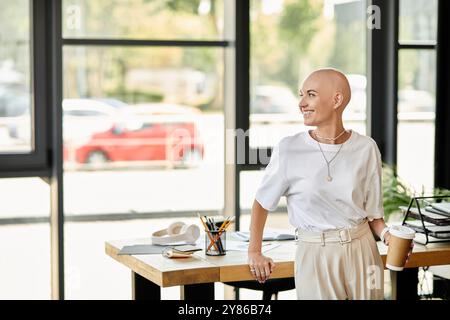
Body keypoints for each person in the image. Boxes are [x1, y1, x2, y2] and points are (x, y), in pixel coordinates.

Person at [247, 68, 413, 300]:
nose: (301, 103)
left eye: (311, 95)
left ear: (337, 99)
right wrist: (254, 252)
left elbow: (374, 216)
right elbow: (262, 203)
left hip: (363, 250)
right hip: (314, 253)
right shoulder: (289, 149)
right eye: (301, 94)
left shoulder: (366, 148)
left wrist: (388, 235)